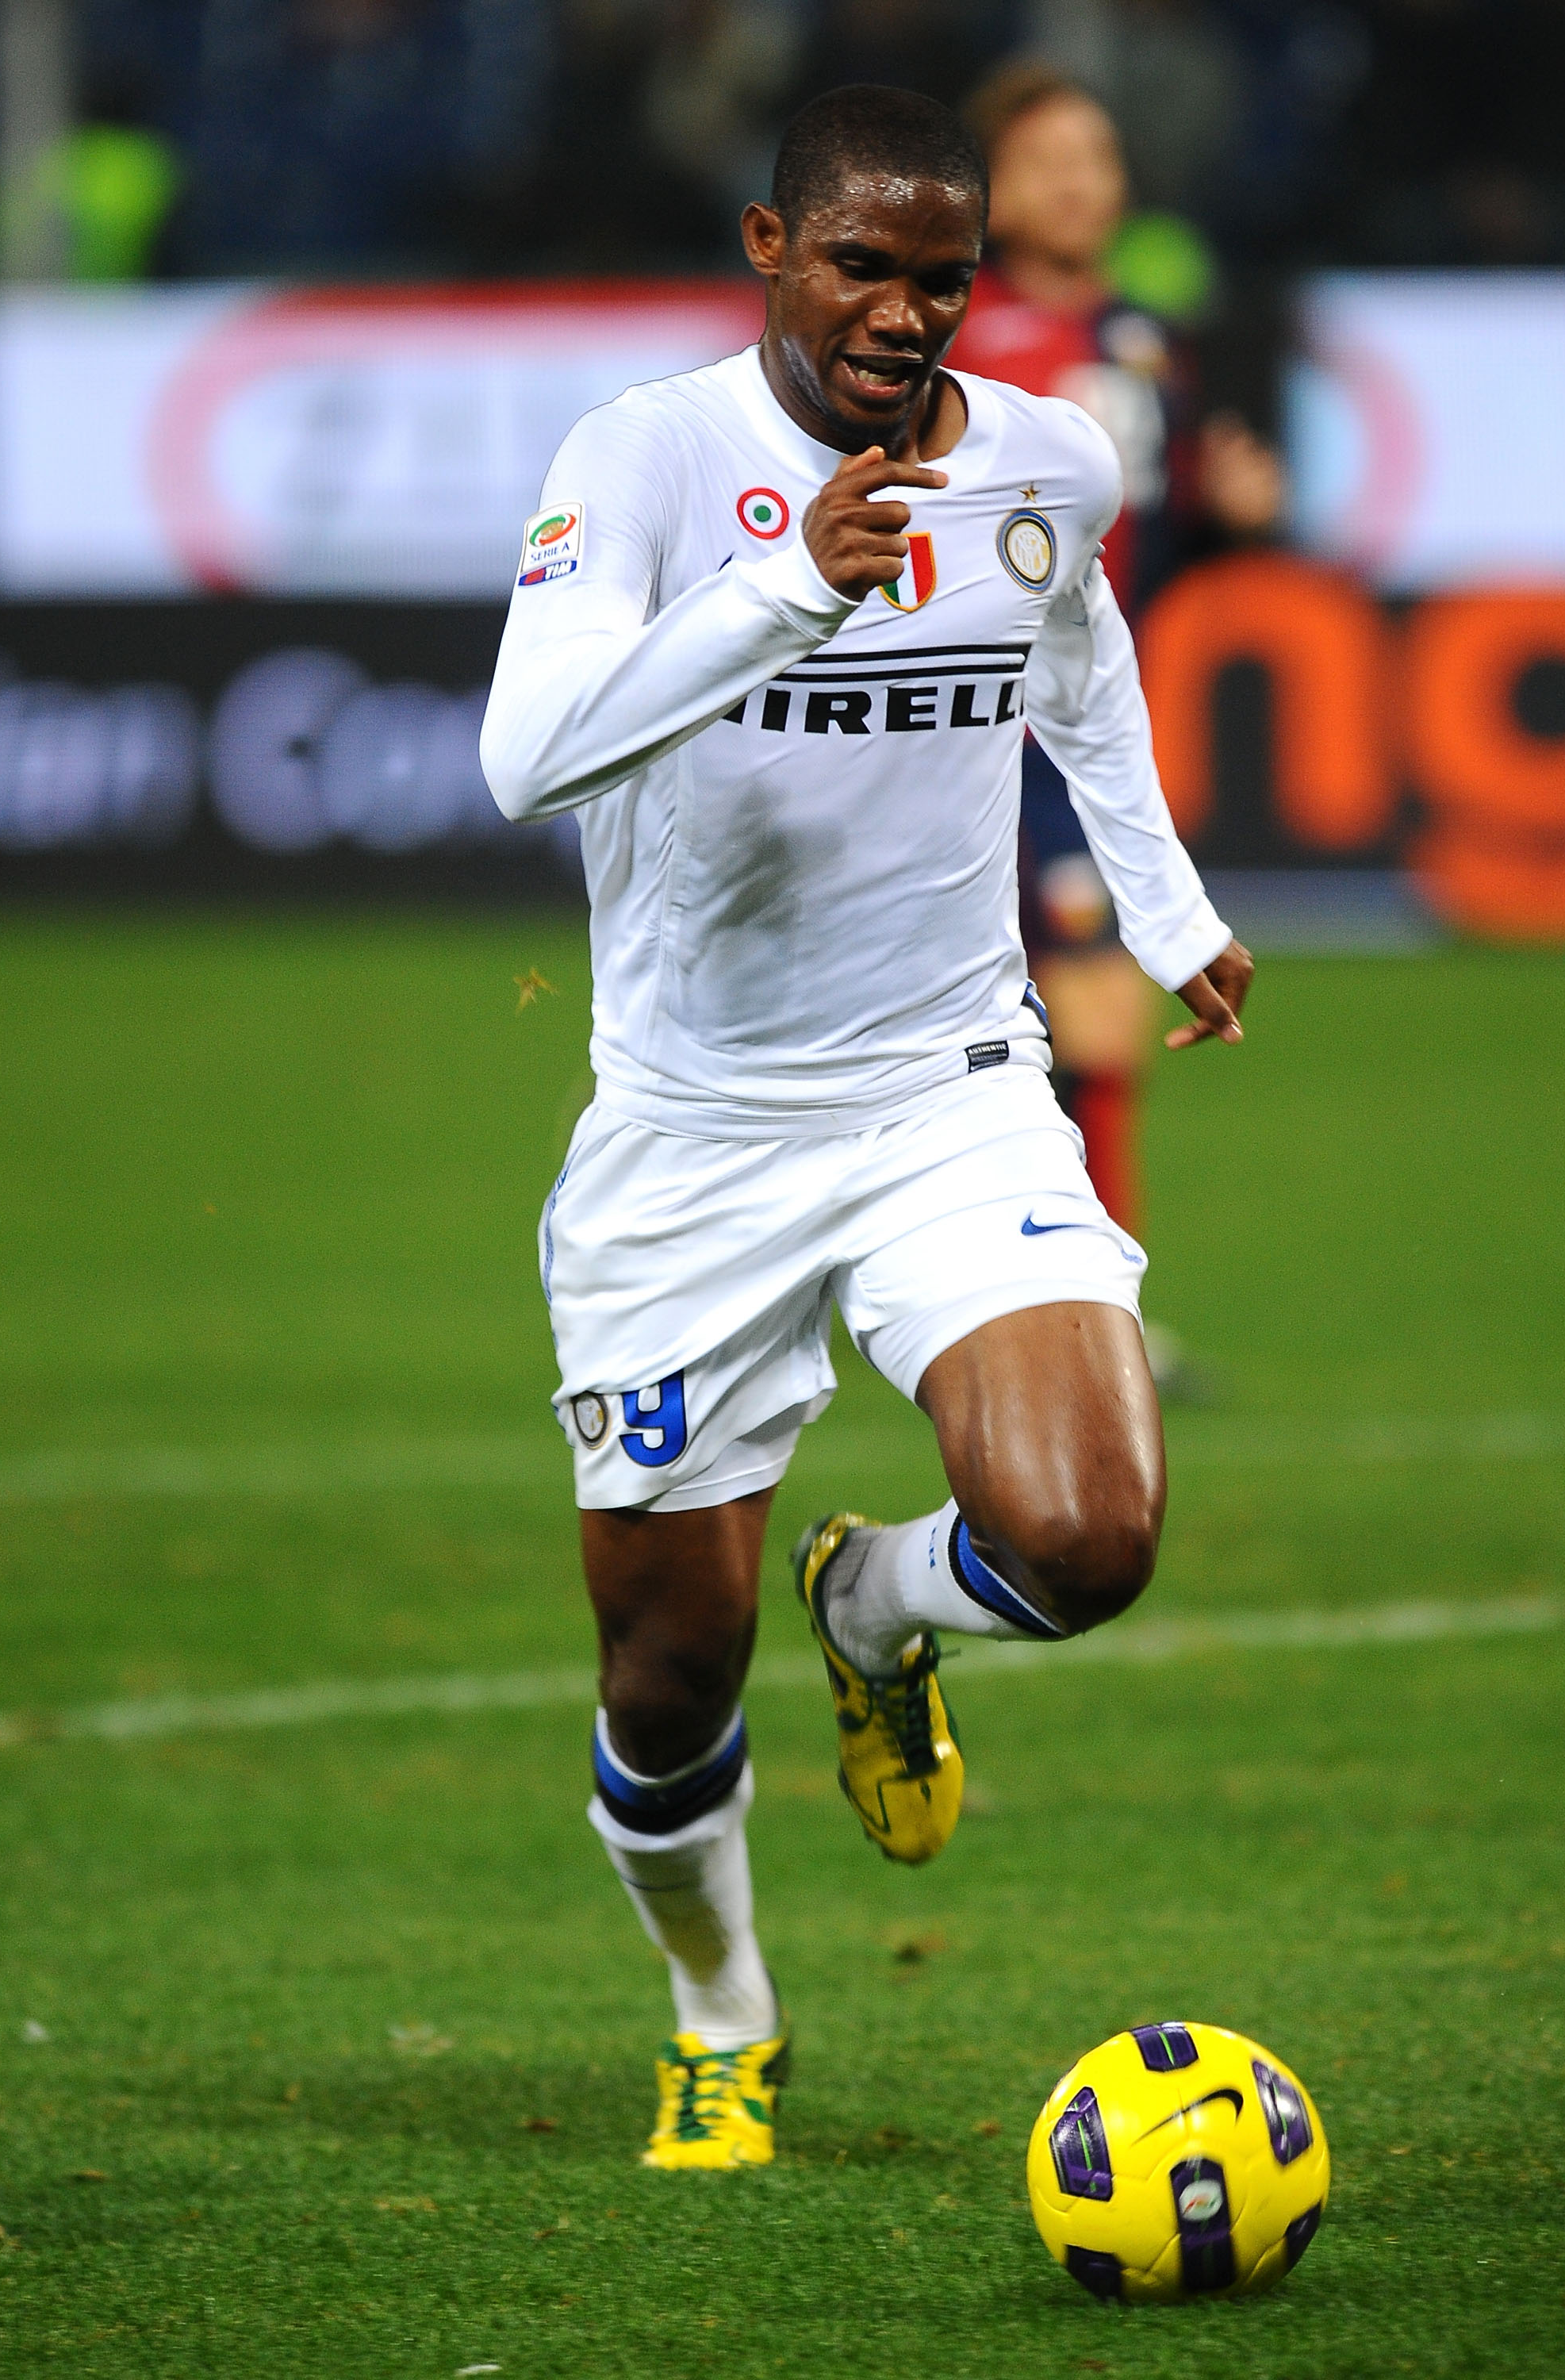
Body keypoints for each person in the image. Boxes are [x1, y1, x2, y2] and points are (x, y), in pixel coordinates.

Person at [480, 83, 1252, 2171]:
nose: (906, 315)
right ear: (768, 249)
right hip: (690, 1137)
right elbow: (524, 754)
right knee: (662, 1666)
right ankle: (718, 2010)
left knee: (1087, 1536)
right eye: (863, 269)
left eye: (942, 278)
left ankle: (880, 1608)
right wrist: (780, 597)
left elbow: (1076, 664)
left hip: (948, 1096)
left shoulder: (1046, 461)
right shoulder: (645, 460)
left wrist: (1167, 916)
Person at [949, 63, 1278, 1361]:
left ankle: (1078, 1310)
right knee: (1074, 1017)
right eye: (1047, 160)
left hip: (1082, 730)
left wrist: (1231, 520)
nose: (1078, 181)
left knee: (1092, 1021)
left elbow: (1153, 551)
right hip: (974, 725)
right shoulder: (958, 336)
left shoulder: (1147, 342)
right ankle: (1078, 1314)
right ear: (992, 193)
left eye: (1095, 154)